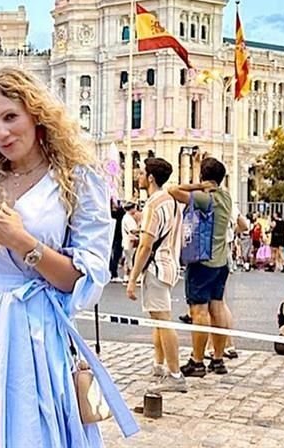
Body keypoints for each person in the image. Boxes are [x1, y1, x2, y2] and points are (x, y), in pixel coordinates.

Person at [0, 67, 138, 444]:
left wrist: (23, 243)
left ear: (36, 115)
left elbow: (85, 277)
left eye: (10, 117)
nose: (0, 133)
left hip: (32, 336)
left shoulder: (76, 180)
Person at [168, 157, 242, 378]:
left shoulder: (204, 198)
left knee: (199, 311)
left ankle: (197, 360)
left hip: (202, 260)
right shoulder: (226, 197)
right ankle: (217, 358)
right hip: (222, 261)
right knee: (217, 308)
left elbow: (174, 189)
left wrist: (199, 185)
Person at [126, 158, 186, 394]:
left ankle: (174, 373)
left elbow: (145, 246)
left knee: (162, 320)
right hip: (167, 263)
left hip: (156, 267)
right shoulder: (170, 201)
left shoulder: (153, 204)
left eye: (141, 173)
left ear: (150, 177)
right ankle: (159, 365)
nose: (138, 176)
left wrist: (132, 278)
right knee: (158, 319)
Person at [120, 202, 141, 284]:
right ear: (132, 208)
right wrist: (142, 230)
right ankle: (134, 278)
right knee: (132, 261)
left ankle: (126, 277)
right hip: (130, 242)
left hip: (126, 242)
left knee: (128, 260)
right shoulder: (128, 218)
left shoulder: (126, 217)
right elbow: (133, 230)